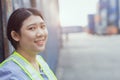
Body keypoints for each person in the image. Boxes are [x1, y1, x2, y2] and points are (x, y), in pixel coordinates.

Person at [0, 8, 57, 80]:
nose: (41, 33)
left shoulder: (39, 60)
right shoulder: (9, 73)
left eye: (42, 26)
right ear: (15, 35)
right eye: (32, 28)